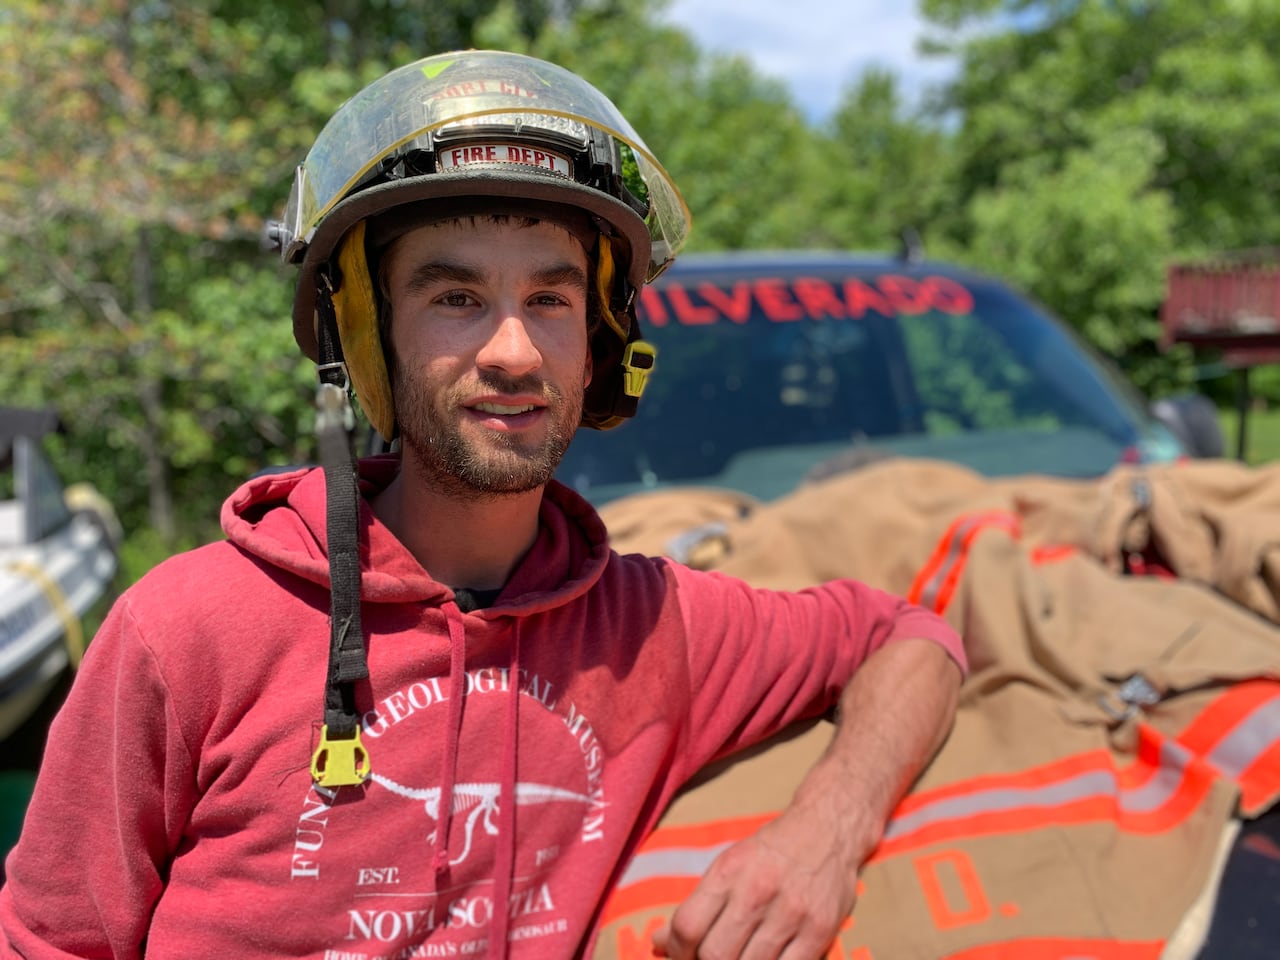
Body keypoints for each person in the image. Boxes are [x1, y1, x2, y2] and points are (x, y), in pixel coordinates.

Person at [0, 50, 964, 959]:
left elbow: (911, 641)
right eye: (455, 297)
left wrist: (822, 840)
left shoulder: (651, 631)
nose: (513, 352)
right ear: (366, 339)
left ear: (600, 342)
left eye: (551, 300)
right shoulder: (186, 633)